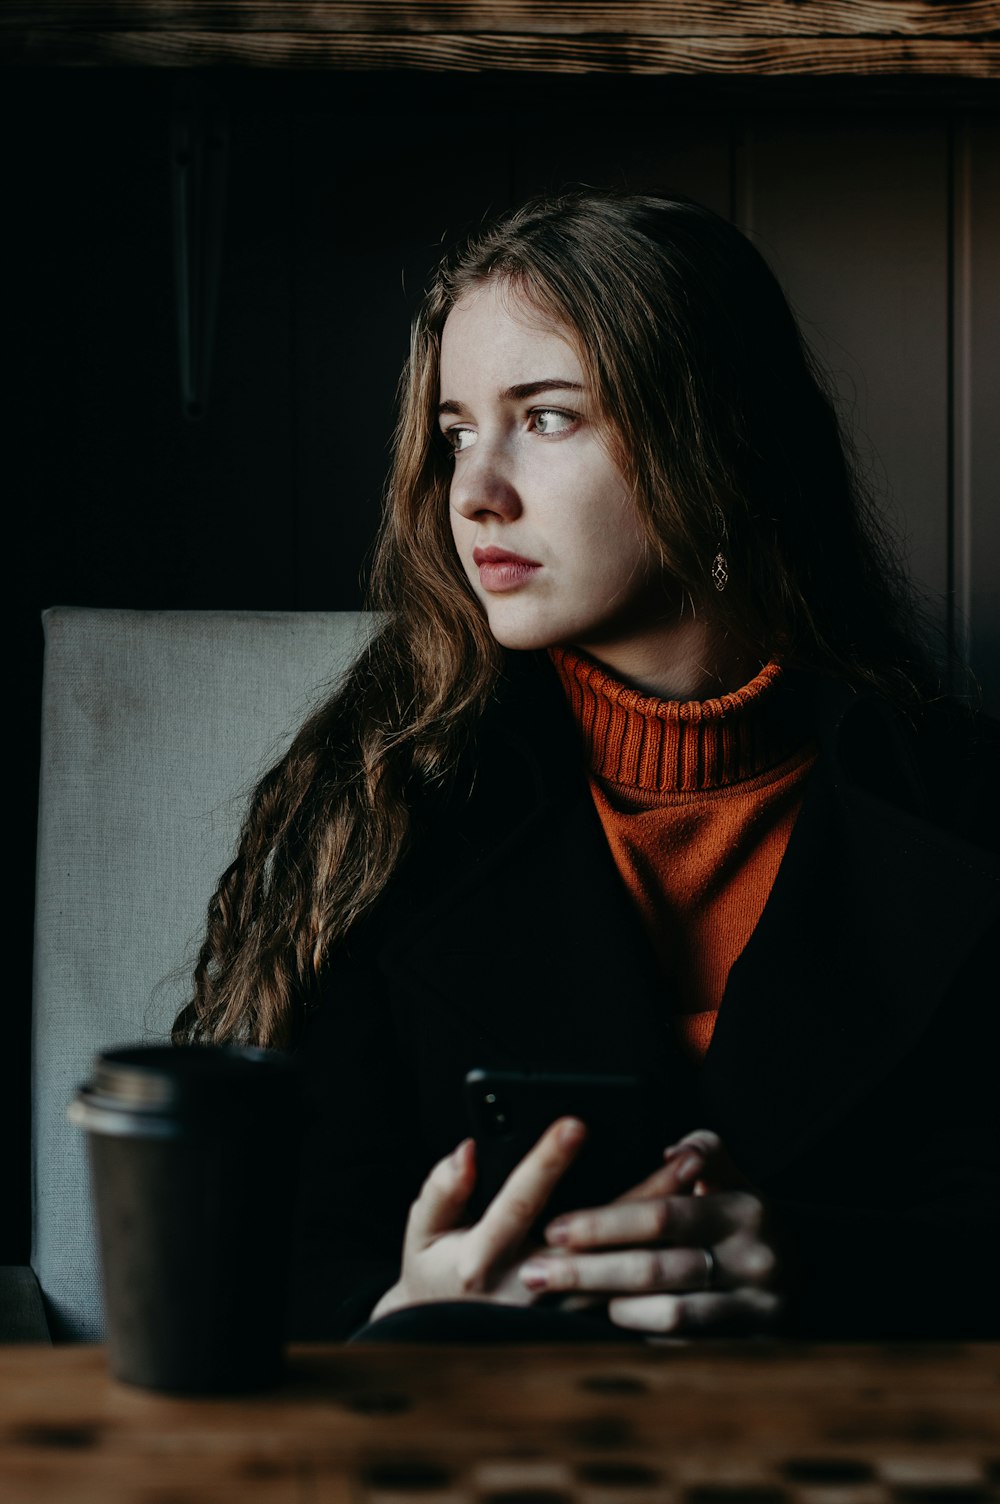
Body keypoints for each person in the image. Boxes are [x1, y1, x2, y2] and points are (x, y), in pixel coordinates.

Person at [174, 189, 1000, 1344]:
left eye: (547, 418)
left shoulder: (962, 810)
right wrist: (403, 1314)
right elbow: (263, 1244)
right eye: (458, 430)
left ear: (717, 441)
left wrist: (820, 1267)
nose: (473, 492)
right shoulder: (380, 800)